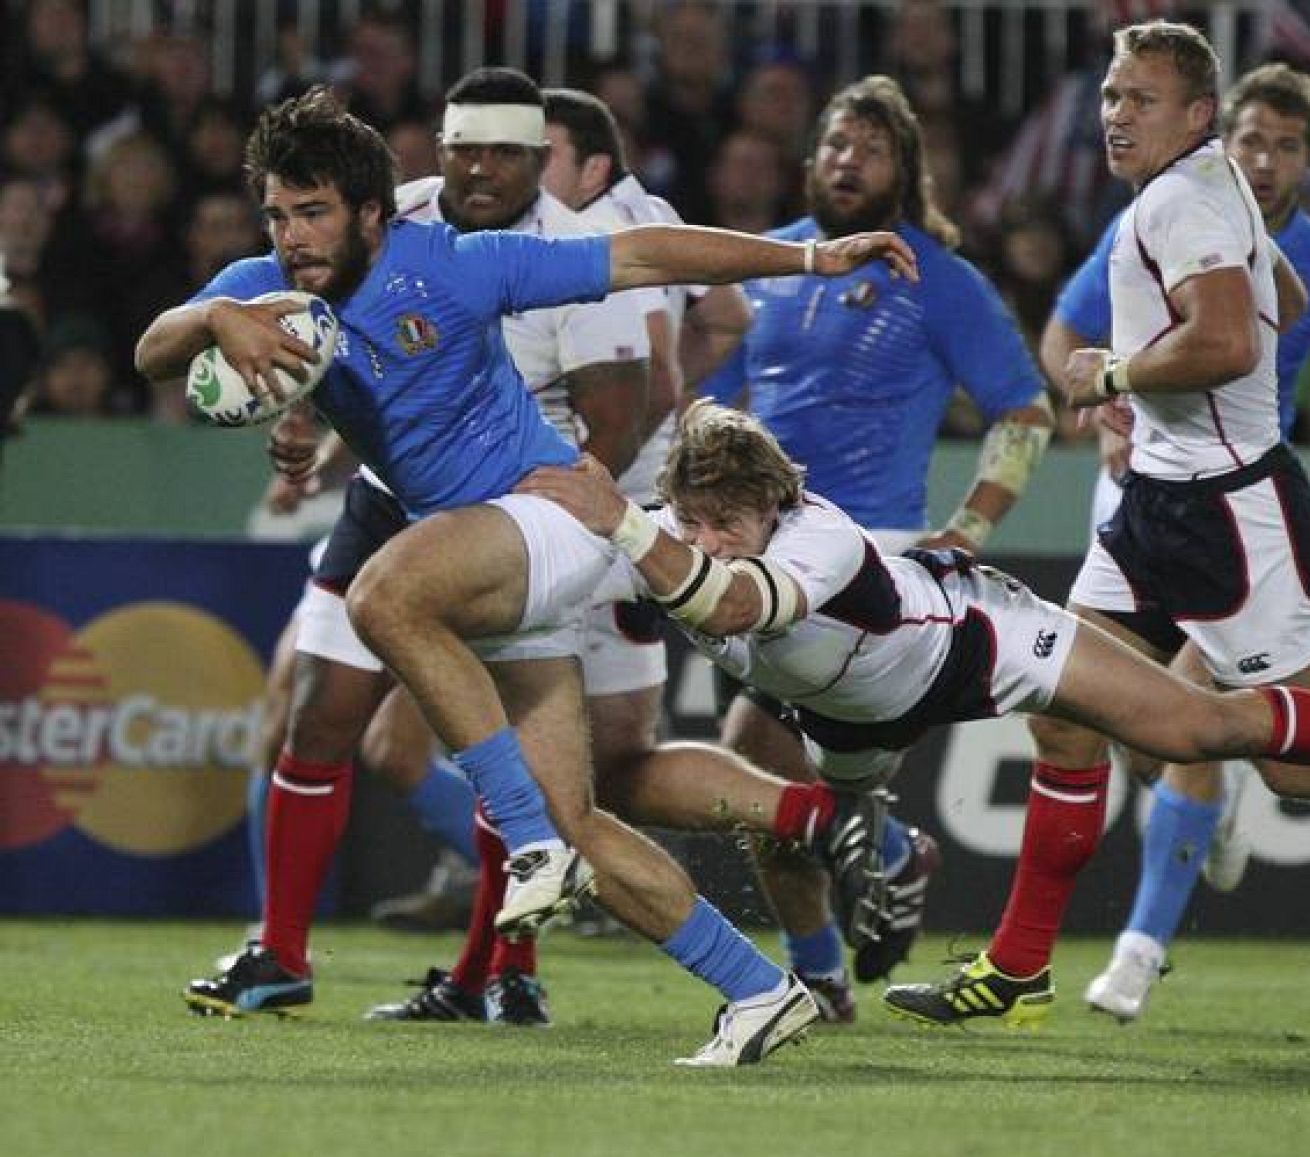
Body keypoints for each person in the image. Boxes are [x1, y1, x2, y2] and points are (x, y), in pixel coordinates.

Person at [134, 85, 916, 1066]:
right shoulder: (268, 286)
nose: (293, 237)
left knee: (382, 597)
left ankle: (525, 842)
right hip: (493, 568)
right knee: (582, 818)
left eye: (314, 212)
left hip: (551, 521)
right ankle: (758, 989)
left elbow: (642, 256)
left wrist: (807, 258)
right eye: (279, 215)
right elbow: (153, 350)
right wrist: (217, 315)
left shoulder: (457, 264)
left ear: (373, 212)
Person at [878, 21, 1310, 1027]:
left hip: (1230, 513)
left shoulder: (1183, 201)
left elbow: (1224, 342)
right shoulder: (1208, 189)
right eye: (1112, 95)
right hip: (1157, 503)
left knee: (1297, 765)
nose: (1116, 115)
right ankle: (1019, 965)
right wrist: (1171, 390)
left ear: (1198, 113)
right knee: (1062, 714)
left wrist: (1115, 377)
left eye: (1141, 99)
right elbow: (1278, 295)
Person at [527, 401, 1310, 1031]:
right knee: (823, 821)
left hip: (982, 644)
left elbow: (731, 604)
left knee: (1198, 729)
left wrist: (625, 525)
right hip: (847, 716)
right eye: (694, 519)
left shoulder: (818, 538)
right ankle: (993, 961)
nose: (708, 536)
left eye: (729, 520)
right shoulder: (666, 530)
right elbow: (574, 565)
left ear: (775, 505)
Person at [210, 67, 661, 1026]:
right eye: (465, 148)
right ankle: (279, 951)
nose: (482, 167)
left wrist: (561, 520)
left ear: (540, 157)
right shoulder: (379, 213)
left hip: (512, 510)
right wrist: (302, 421)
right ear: (440, 152)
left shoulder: (564, 253)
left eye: (505, 152)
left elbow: (620, 416)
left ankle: (504, 965)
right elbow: (345, 356)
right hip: (386, 502)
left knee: (505, 743)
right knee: (318, 713)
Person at [1042, 62, 1310, 1021]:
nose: (1265, 160)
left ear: (1308, 162)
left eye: (1287, 146)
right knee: (1134, 733)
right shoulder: (1158, 210)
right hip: (1138, 491)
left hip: (1235, 507)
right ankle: (1206, 814)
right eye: (1253, 140)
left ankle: (1137, 953)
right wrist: (1107, 409)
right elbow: (1063, 334)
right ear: (1224, 136)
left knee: (1197, 722)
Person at [698, 74, 1053, 1016]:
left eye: (871, 148)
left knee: (753, 755)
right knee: (767, 784)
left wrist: (967, 528)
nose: (848, 162)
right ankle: (834, 945)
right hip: (757, 562)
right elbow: (710, 405)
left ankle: (871, 874)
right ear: (809, 159)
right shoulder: (768, 265)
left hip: (868, 563)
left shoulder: (937, 278)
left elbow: (1024, 411)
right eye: (835, 144)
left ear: (907, 169)